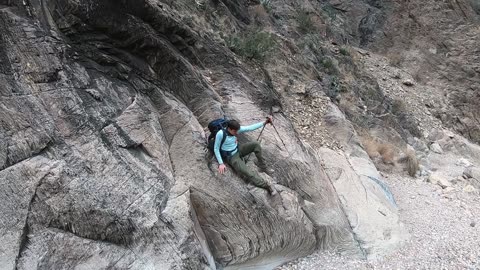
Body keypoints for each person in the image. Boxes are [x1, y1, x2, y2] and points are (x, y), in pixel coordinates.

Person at [214, 116, 277, 195]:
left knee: (255, 144)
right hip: (232, 157)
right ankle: (267, 185)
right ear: (229, 129)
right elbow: (216, 148)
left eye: (237, 131)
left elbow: (250, 128)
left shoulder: (236, 129)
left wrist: (264, 122)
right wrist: (221, 163)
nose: (237, 133)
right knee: (247, 172)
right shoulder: (220, 134)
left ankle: (263, 167)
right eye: (235, 131)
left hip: (238, 149)